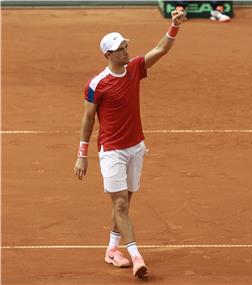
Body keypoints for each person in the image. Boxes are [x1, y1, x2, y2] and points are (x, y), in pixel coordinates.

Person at [73, 10, 185, 278]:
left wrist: (174, 26)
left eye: (125, 46)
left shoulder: (134, 68)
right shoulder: (96, 84)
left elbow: (160, 50)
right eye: (119, 49)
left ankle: (112, 250)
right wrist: (82, 154)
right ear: (107, 55)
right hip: (111, 151)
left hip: (136, 147)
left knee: (123, 203)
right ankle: (136, 256)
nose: (125, 51)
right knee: (121, 204)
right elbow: (88, 119)